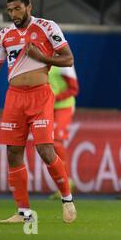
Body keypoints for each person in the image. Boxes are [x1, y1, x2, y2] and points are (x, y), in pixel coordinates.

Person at [0, 0, 77, 224]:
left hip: (40, 96)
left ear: (28, 7)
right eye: (9, 10)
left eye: (17, 8)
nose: (13, 14)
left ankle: (67, 199)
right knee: (13, 153)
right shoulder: (3, 35)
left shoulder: (47, 27)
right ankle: (24, 214)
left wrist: (42, 58)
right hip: (15, 97)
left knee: (45, 150)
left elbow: (68, 59)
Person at [48, 65, 79, 199]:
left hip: (64, 106)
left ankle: (67, 182)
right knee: (46, 145)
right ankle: (61, 186)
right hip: (48, 108)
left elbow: (74, 89)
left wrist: (55, 97)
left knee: (57, 143)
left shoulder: (63, 63)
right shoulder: (39, 59)